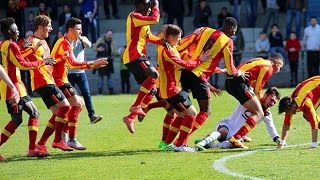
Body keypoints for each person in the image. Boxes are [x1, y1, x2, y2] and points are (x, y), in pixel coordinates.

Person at [178, 18, 245, 137]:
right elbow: (231, 68)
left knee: (181, 111)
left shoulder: (205, 30)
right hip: (199, 76)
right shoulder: (227, 41)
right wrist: (239, 73)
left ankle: (167, 142)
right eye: (234, 31)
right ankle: (182, 141)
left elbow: (186, 42)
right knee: (205, 111)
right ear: (231, 29)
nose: (234, 34)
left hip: (186, 70)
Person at [0, 18, 55, 160]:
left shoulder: (3, 44)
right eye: (15, 29)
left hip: (14, 85)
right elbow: (22, 64)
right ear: (8, 32)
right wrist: (43, 61)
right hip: (13, 87)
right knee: (21, 118)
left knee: (30, 114)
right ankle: (32, 148)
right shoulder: (11, 45)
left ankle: (32, 148)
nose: (18, 31)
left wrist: (24, 47)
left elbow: (15, 58)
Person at [51, 17, 108, 150]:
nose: (80, 32)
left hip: (61, 80)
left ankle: (63, 137)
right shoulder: (64, 43)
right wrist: (93, 64)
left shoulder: (66, 42)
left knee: (77, 105)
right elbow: (72, 64)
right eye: (78, 29)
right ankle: (68, 139)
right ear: (70, 30)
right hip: (58, 81)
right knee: (75, 105)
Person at [157, 24, 211, 152]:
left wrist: (194, 35)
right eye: (178, 38)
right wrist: (200, 60)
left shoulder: (166, 45)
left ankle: (167, 144)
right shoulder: (168, 51)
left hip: (170, 89)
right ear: (170, 37)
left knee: (181, 115)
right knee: (192, 113)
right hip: (172, 90)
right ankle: (181, 145)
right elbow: (183, 64)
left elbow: (182, 45)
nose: (180, 40)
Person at [225, 53, 284, 148]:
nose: (279, 70)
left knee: (252, 110)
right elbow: (257, 90)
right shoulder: (268, 68)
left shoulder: (259, 59)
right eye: (280, 67)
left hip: (230, 81)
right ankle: (236, 137)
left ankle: (238, 134)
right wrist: (261, 103)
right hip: (239, 83)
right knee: (260, 113)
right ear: (276, 63)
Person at [195, 87, 281, 150]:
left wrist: (279, 140)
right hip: (227, 125)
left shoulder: (266, 113)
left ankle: (211, 146)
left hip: (236, 135)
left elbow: (271, 128)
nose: (272, 103)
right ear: (265, 95)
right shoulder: (251, 99)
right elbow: (248, 89)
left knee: (235, 144)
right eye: (271, 100)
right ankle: (201, 143)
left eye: (274, 102)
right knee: (223, 132)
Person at [122, 0, 161, 134]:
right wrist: (156, 5)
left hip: (136, 56)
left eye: (151, 6)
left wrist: (162, 41)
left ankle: (130, 118)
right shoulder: (134, 16)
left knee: (152, 90)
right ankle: (136, 106)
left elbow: (148, 36)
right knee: (154, 74)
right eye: (147, 6)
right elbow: (155, 19)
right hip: (134, 55)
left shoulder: (143, 21)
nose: (150, 8)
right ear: (139, 6)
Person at [68, 36, 103, 124]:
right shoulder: (67, 40)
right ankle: (65, 116)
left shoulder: (82, 39)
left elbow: (89, 45)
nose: (79, 31)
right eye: (77, 29)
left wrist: (81, 39)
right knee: (68, 96)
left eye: (80, 29)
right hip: (68, 73)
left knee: (86, 93)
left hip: (80, 72)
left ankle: (92, 116)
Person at [278, 76, 320, 149]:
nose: (287, 113)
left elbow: (314, 123)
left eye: (287, 111)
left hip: (318, 86)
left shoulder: (306, 102)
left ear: (292, 107)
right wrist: (282, 143)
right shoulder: (290, 102)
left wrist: (313, 145)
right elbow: (286, 123)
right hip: (315, 87)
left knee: (310, 117)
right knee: (307, 116)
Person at [93, 30, 117, 95]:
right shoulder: (100, 40)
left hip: (109, 61)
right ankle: (100, 92)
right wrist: (98, 49)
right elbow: (94, 48)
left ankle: (111, 91)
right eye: (108, 34)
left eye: (111, 35)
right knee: (100, 77)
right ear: (106, 34)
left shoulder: (113, 42)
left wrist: (115, 53)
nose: (109, 36)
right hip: (101, 60)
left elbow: (114, 52)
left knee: (110, 77)